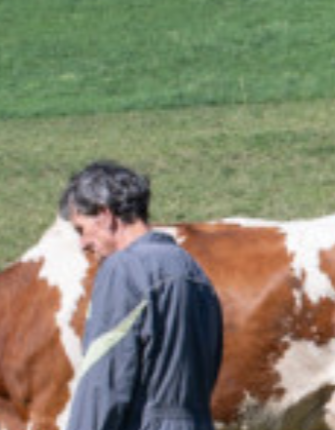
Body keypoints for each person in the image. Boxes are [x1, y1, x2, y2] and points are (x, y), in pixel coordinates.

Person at [61, 160, 225, 430]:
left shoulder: (123, 270)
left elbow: (104, 378)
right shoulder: (193, 271)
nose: (83, 243)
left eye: (81, 229)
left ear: (104, 215)